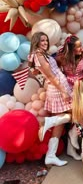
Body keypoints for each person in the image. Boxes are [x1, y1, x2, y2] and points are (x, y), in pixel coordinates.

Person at [28, 32, 71, 167]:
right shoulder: (39, 55)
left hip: (58, 87)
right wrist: (63, 90)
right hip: (57, 88)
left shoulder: (39, 55)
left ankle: (50, 156)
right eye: (42, 41)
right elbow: (51, 76)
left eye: (46, 40)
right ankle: (49, 121)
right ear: (36, 41)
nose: (45, 43)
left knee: (60, 124)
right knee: (74, 113)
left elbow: (35, 72)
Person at [56, 35, 83, 161]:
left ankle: (73, 135)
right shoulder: (61, 59)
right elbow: (56, 73)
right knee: (78, 112)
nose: (81, 48)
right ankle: (72, 136)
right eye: (78, 46)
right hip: (70, 88)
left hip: (82, 85)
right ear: (71, 49)